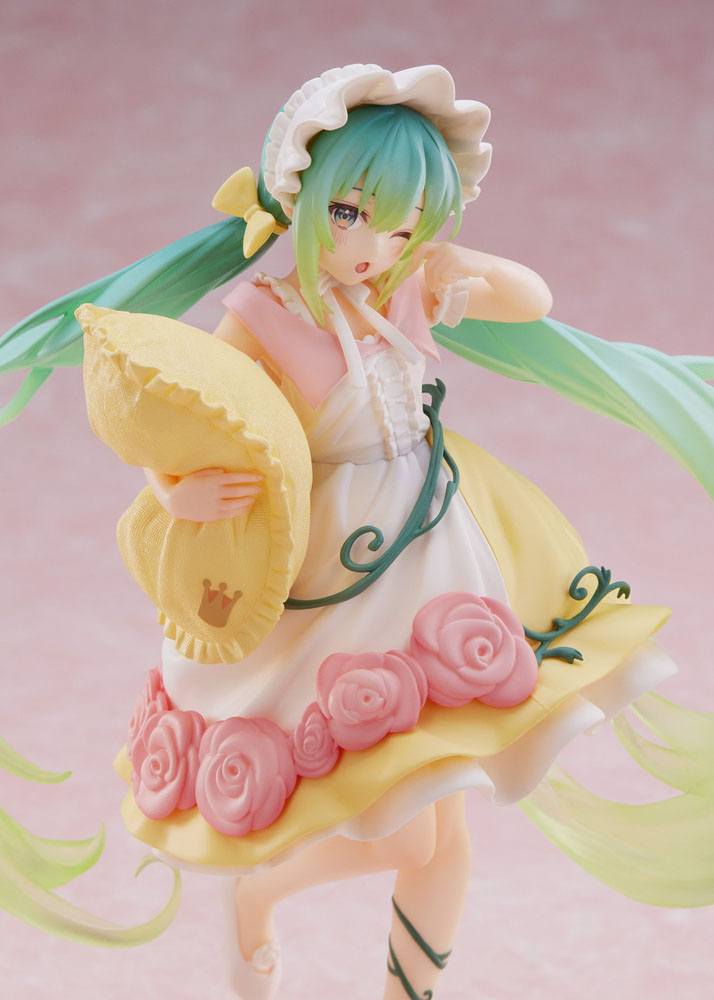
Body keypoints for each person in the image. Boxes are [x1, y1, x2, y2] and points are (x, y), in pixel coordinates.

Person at [1, 64, 712, 1000]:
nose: (374, 246)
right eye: (349, 214)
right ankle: (261, 896)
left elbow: (533, 298)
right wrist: (171, 491)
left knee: (443, 831)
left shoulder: (407, 286)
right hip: (331, 566)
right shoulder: (262, 312)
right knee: (412, 831)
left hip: (434, 549)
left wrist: (461, 263)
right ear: (301, 201)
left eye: (405, 226)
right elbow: (177, 413)